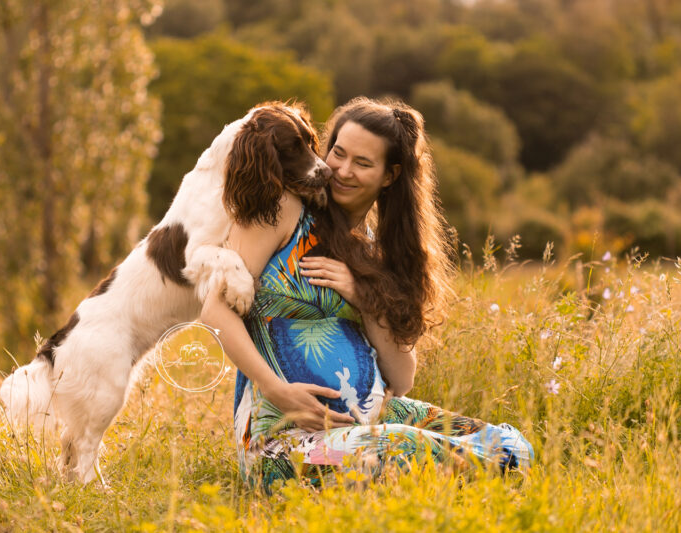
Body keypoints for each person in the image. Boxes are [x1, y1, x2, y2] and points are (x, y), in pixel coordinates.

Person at [201, 97, 533, 491]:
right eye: (337, 153)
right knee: (405, 447)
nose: (340, 170)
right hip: (285, 444)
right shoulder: (282, 211)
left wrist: (361, 294)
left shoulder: (374, 249)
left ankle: (485, 469)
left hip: (371, 419)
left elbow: (402, 376)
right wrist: (278, 391)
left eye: (362, 163)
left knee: (511, 445)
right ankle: (475, 474)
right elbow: (215, 313)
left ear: (389, 176)